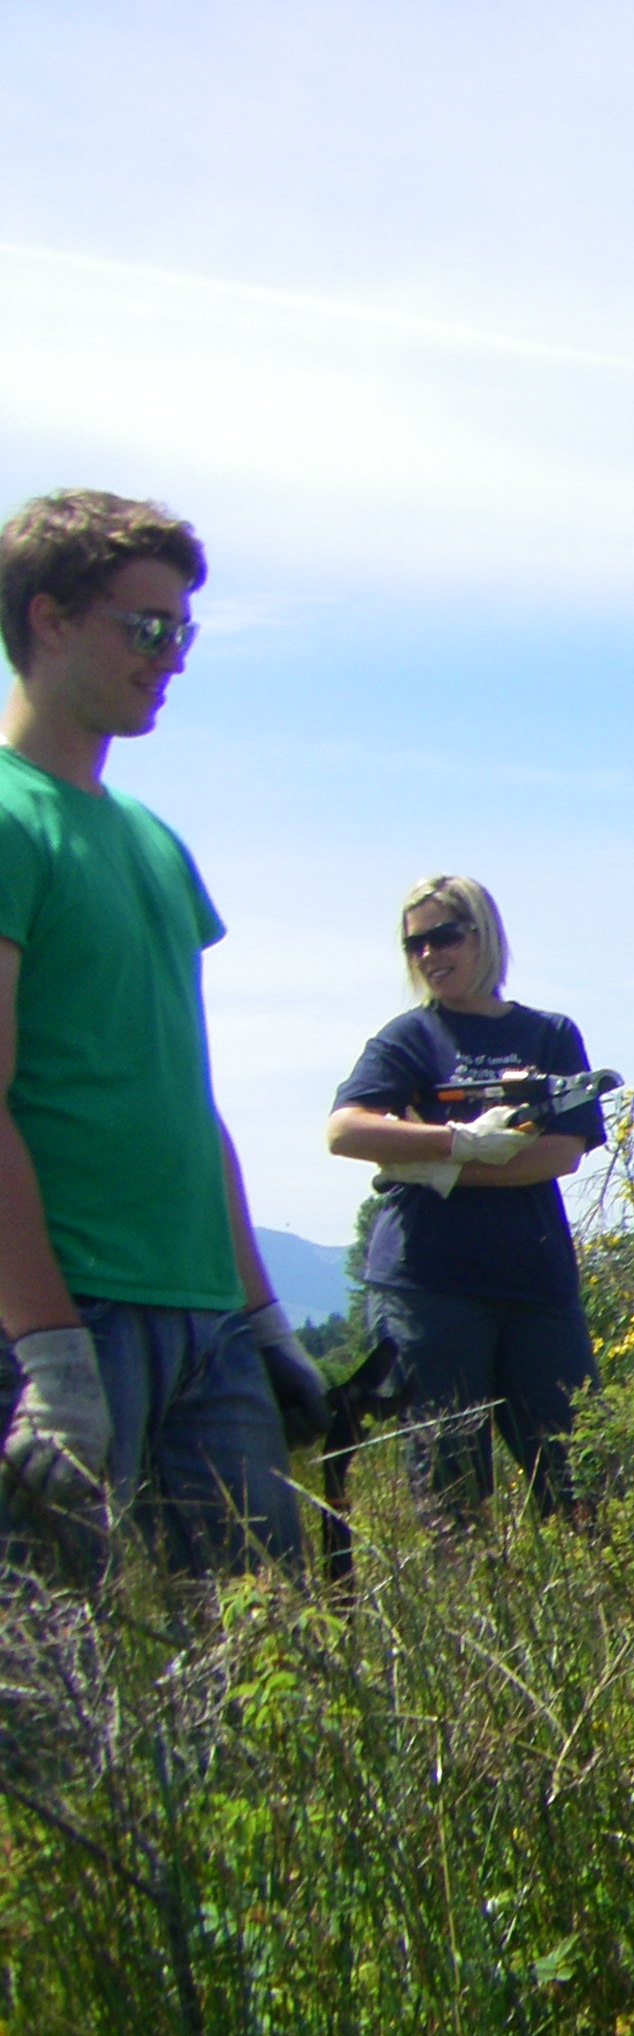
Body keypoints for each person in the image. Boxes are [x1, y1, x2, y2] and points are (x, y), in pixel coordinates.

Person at [0, 489, 323, 1572]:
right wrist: (49, 1353)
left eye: (183, 631)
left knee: (259, 1662)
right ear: (49, 620)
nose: (171, 656)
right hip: (69, 1310)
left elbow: (191, 1102)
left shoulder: (155, 842)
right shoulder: (5, 819)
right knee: (44, 1678)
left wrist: (266, 1321)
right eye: (147, 628)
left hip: (207, 1322)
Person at [323, 876, 604, 1520]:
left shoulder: (552, 1034)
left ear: (485, 935)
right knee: (450, 1485)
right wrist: (457, 1144)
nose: (429, 955)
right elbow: (343, 1130)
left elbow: (561, 1153)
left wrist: (425, 1165)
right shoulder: (407, 1038)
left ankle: (595, 1615)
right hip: (428, 1285)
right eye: (413, 944)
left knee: (579, 1477)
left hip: (535, 1284)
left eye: (444, 936)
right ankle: (467, 1616)